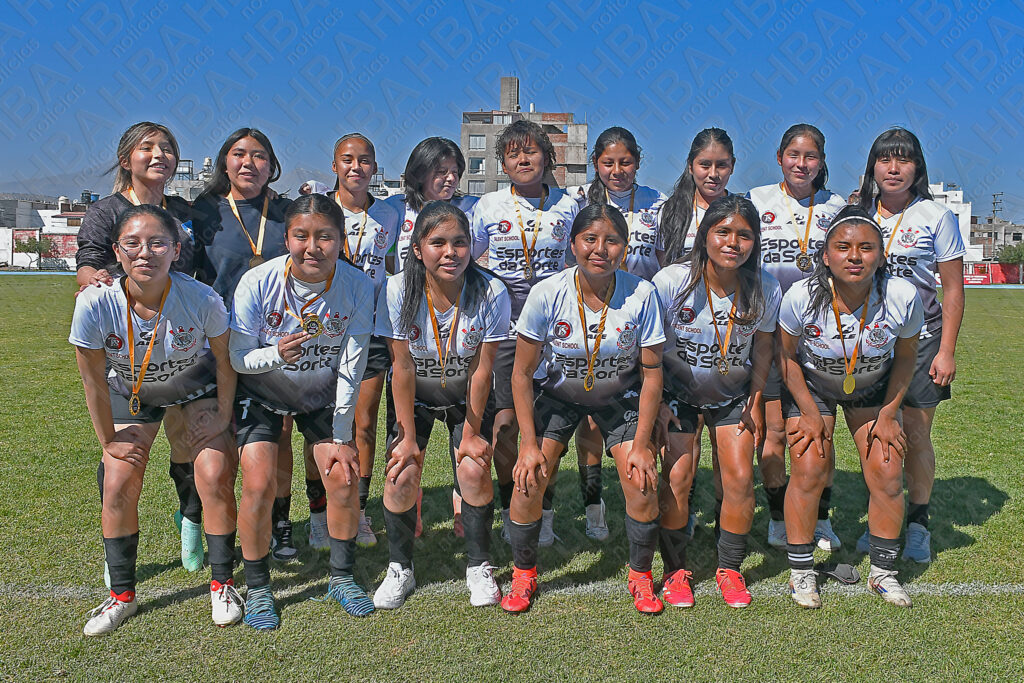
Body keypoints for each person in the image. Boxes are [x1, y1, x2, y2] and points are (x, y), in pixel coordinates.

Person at [71, 205, 239, 635]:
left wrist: (222, 416)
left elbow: (224, 362)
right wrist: (108, 439)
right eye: (132, 243)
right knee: (117, 481)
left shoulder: (201, 298)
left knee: (215, 471)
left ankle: (223, 583)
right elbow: (91, 379)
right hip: (133, 389)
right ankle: (121, 595)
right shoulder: (95, 302)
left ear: (176, 250)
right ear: (116, 250)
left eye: (157, 243)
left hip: (192, 388)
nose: (145, 253)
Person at [502, 203, 665, 614]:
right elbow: (521, 375)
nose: (600, 249)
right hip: (559, 395)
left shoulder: (642, 293)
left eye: (611, 241)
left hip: (618, 396)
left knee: (642, 479)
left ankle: (641, 576)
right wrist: (527, 443)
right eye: (590, 239)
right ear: (572, 243)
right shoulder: (547, 292)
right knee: (529, 477)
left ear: (625, 249)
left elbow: (652, 375)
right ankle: (523, 575)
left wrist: (642, 443)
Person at [229, 193, 376, 629]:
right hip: (262, 394)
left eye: (325, 236)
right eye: (301, 235)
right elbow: (239, 358)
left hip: (321, 396)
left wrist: (342, 435)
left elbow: (352, 363)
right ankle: (257, 588)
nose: (313, 247)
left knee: (343, 477)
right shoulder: (257, 282)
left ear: (341, 238)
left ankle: (341, 577)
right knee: (257, 485)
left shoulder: (357, 285)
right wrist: (274, 355)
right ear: (286, 238)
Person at [75, 121, 205, 573]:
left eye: (167, 148)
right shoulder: (106, 210)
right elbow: (88, 265)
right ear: (126, 157)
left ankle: (191, 517)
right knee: (122, 452)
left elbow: (200, 270)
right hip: (128, 350)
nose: (159, 155)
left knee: (186, 438)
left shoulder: (187, 210)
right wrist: (93, 282)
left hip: (185, 345)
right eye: (147, 148)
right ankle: (117, 547)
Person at [778, 206, 922, 608]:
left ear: (881, 254)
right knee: (808, 466)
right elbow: (786, 357)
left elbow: (907, 357)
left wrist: (891, 413)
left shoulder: (901, 295)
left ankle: (883, 572)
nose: (854, 256)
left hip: (874, 389)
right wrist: (807, 410)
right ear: (825, 255)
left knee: (888, 469)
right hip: (814, 387)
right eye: (843, 247)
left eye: (866, 248)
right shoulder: (801, 296)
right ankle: (801, 572)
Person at [374, 201, 511, 608]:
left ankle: (478, 564)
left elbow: (484, 370)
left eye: (459, 242)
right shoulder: (398, 289)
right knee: (401, 473)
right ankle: (400, 568)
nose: (450, 252)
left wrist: (471, 433)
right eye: (438, 243)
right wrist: (407, 437)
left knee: (471, 469)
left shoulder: (491, 289)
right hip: (413, 395)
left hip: (465, 396)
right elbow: (400, 367)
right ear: (418, 249)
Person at [653, 195, 781, 609]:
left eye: (744, 235)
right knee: (677, 479)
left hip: (733, 397)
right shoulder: (672, 282)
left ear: (755, 242)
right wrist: (656, 403)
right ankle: (675, 571)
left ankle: (730, 567)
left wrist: (757, 400)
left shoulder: (765, 285)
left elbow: (763, 350)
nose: (733, 243)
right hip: (677, 396)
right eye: (723, 232)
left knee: (741, 477)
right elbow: (649, 350)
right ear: (704, 235)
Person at [855, 128, 965, 563]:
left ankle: (918, 524)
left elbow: (952, 290)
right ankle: (882, 517)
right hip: (869, 342)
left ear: (917, 167)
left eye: (903, 160)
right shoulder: (858, 211)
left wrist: (947, 349)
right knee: (875, 436)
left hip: (921, 341)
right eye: (885, 160)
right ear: (873, 167)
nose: (894, 168)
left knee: (917, 436)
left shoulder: (936, 216)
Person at [470, 119, 580, 547]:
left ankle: (544, 507)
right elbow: (470, 263)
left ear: (547, 158)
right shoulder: (489, 206)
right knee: (504, 427)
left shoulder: (569, 205)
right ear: (502, 162)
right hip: (503, 333)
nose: (522, 159)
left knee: (548, 426)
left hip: (555, 335)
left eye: (531, 151)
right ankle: (509, 504)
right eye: (512, 153)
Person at [192, 128, 299, 562]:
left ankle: (280, 523)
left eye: (259, 155)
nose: (248, 163)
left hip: (275, 340)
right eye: (239, 154)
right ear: (224, 162)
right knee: (221, 435)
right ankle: (219, 524)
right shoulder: (205, 212)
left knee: (281, 437)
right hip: (217, 339)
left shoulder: (288, 212)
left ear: (271, 165)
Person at [747, 124, 847, 551]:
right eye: (794, 155)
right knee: (771, 434)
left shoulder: (837, 206)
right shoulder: (757, 199)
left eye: (811, 157)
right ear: (779, 157)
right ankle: (775, 515)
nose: (802, 164)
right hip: (768, 333)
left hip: (820, 335)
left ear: (822, 161)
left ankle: (820, 518)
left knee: (821, 429)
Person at [566, 126, 667, 542]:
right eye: (608, 162)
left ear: (637, 162)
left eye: (626, 162)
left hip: (638, 315)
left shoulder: (657, 203)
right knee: (589, 421)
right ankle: (593, 504)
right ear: (595, 165)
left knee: (647, 410)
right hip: (588, 317)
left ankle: (661, 497)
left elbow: (664, 259)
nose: (618, 170)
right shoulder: (577, 202)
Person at [385, 137, 480, 536]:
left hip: (460, 322)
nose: (449, 177)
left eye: (454, 170)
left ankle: (463, 508)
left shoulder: (472, 208)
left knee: (468, 434)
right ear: (419, 172)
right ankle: (413, 507)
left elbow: (476, 263)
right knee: (403, 425)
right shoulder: (392, 208)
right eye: (439, 170)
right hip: (402, 318)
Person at [657, 127, 739, 539]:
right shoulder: (670, 211)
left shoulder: (742, 209)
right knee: (681, 447)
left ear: (732, 167)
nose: (712, 173)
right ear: (691, 166)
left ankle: (726, 516)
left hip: (729, 334)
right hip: (683, 338)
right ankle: (681, 513)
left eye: (721, 165)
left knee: (730, 450)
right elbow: (661, 267)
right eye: (705, 165)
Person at [329, 132, 401, 548]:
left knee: (365, 419)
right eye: (348, 159)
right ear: (335, 165)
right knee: (321, 423)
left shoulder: (389, 214)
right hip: (329, 326)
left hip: (371, 328)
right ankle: (322, 509)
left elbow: (388, 264)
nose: (357, 167)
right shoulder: (321, 209)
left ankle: (360, 507)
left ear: (375, 166)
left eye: (365, 160)